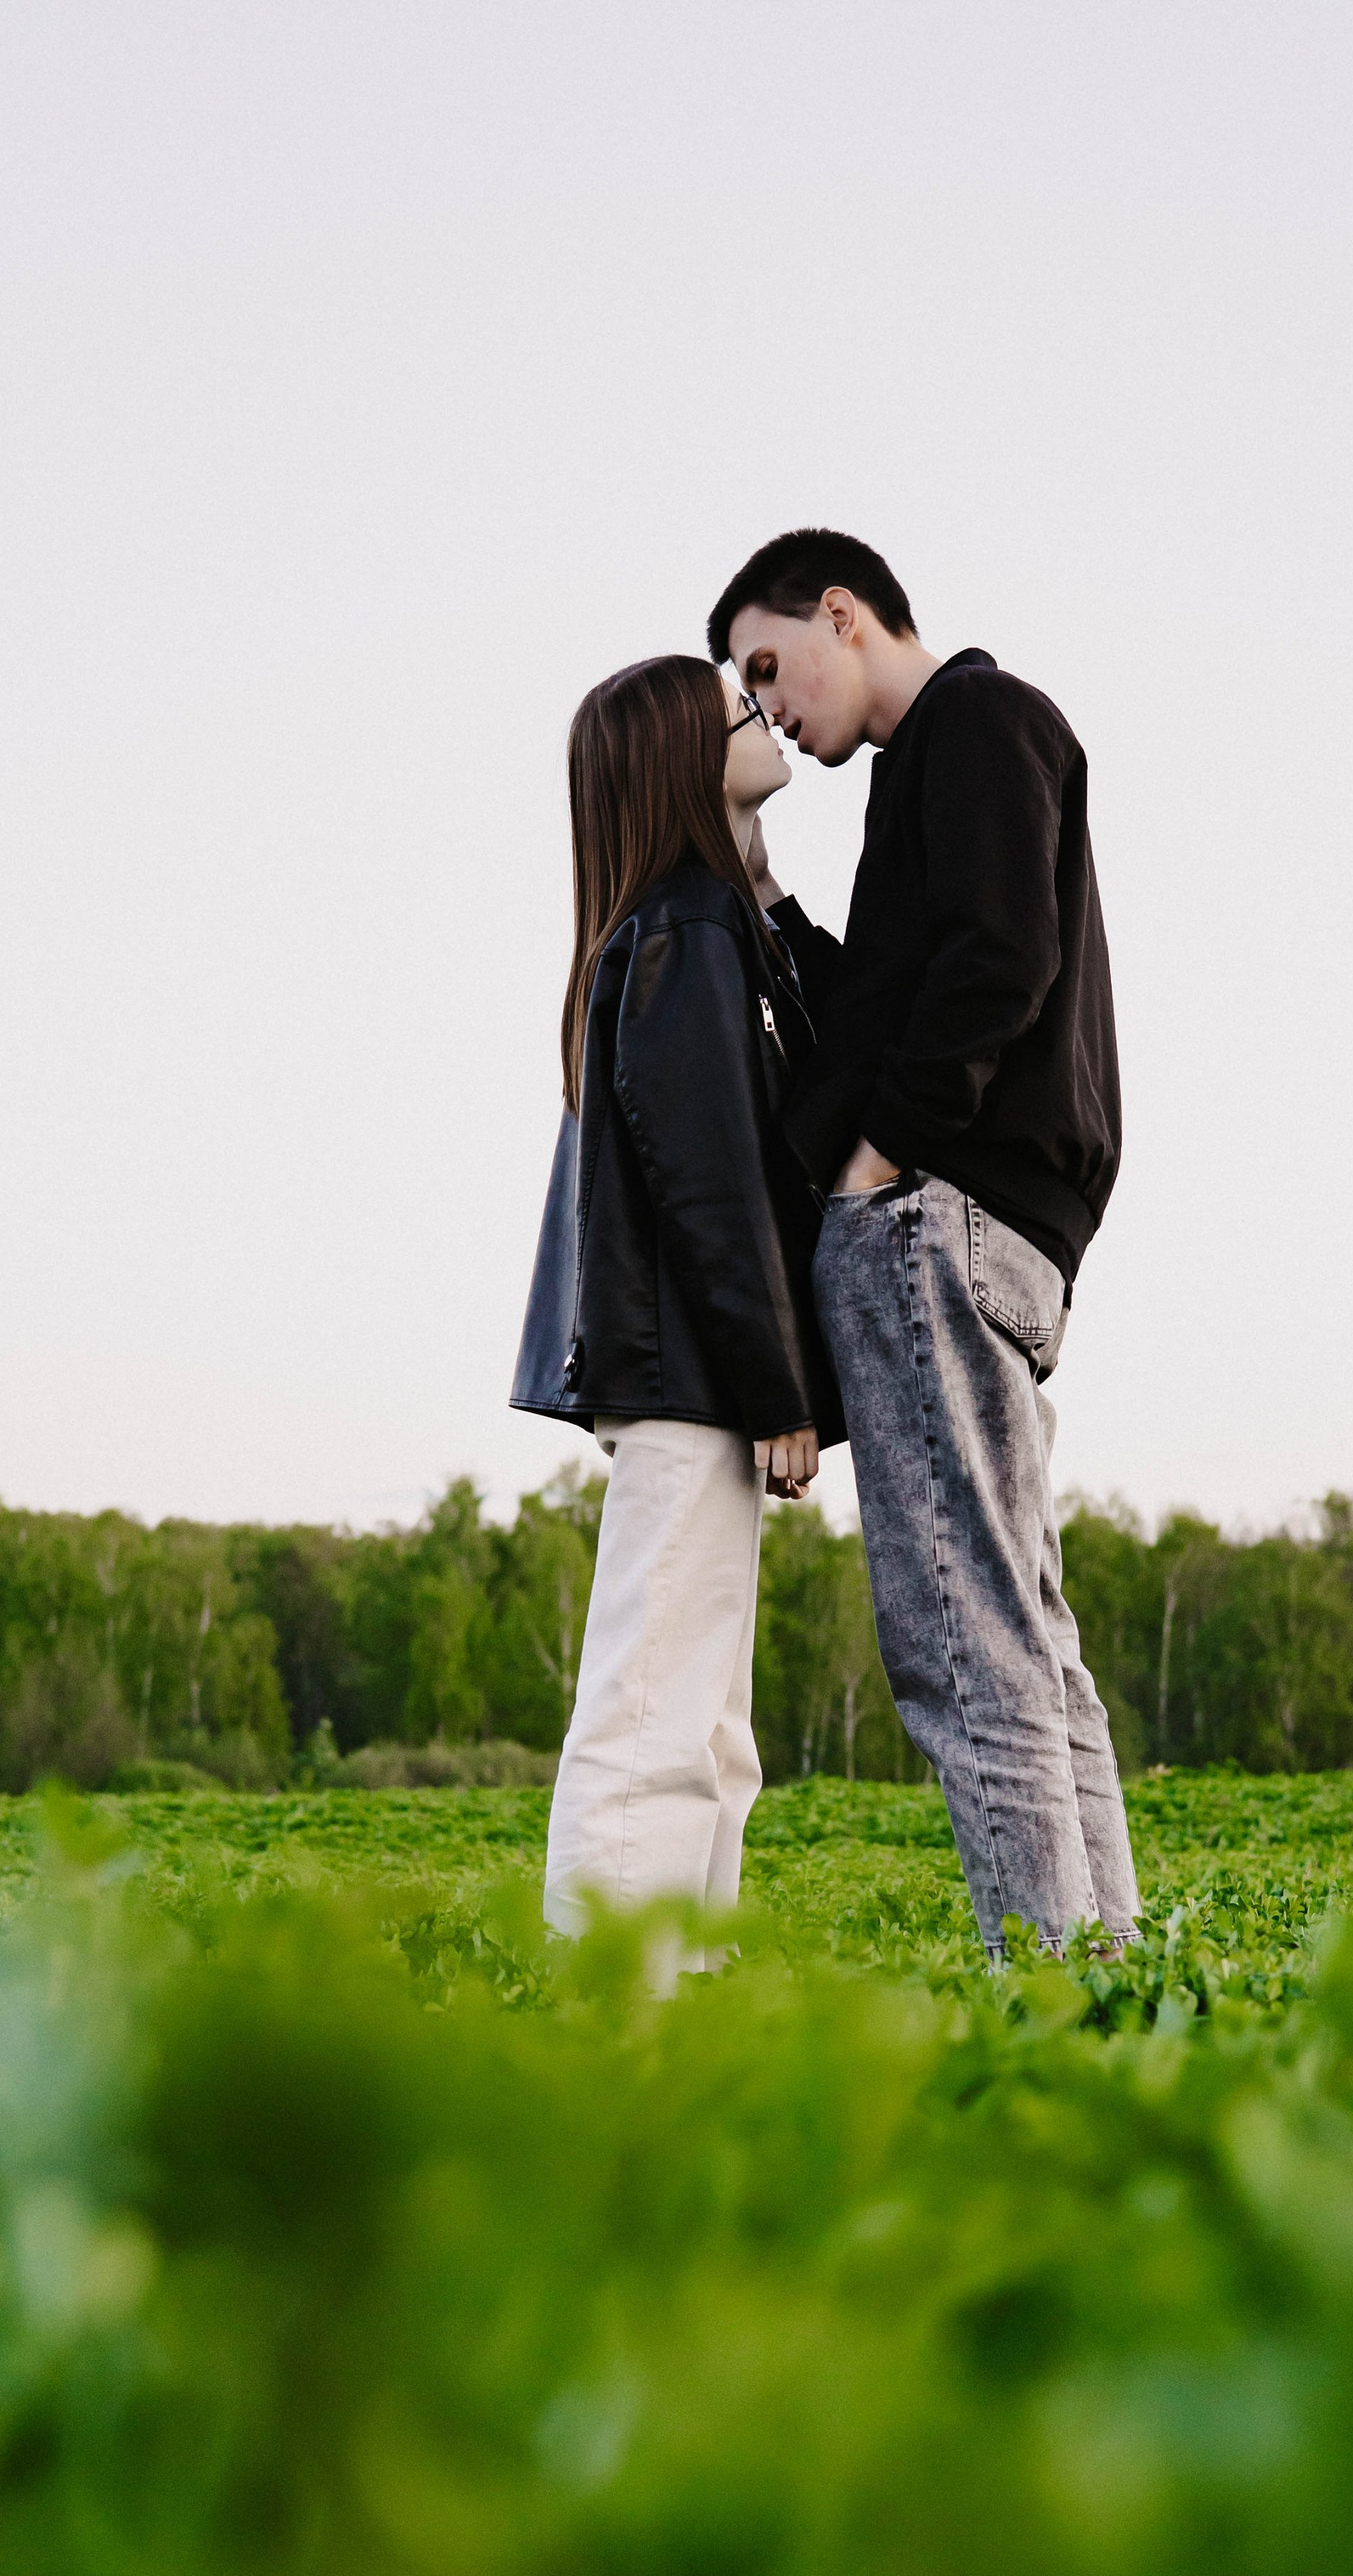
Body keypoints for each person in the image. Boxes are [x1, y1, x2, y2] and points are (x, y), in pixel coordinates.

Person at [708, 528, 1141, 1962]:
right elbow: (889, 1001)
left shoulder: (976, 722)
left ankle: (1052, 2005)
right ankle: (1111, 1979)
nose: (768, 707)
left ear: (844, 611)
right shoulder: (940, 766)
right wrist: (766, 890)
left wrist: (881, 1160)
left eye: (770, 665)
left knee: (963, 1646)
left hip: (933, 1225)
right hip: (999, 1227)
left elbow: (998, 962)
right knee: (1025, 1630)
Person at [512, 652, 840, 1947]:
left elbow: (813, 1048)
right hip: (694, 1378)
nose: (764, 716)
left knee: (705, 1723)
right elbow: (711, 1182)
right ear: (678, 766)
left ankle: (679, 2006)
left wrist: (761, 874)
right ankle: (610, 2022)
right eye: (737, 712)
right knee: (653, 1710)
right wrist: (777, 1389)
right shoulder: (686, 931)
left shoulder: (707, 917)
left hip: (690, 1375)